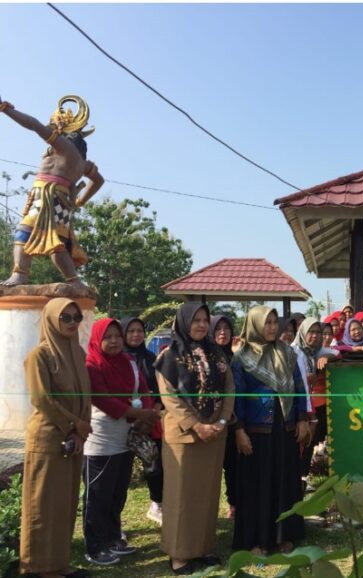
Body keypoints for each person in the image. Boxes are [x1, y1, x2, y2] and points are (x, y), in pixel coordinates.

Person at [154, 302, 235, 575]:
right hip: (184, 436)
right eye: (195, 320)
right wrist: (196, 426)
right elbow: (170, 399)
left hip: (214, 436)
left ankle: (204, 548)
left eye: (204, 319)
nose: (201, 324)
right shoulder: (168, 356)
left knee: (207, 494)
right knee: (181, 496)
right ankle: (179, 554)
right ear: (184, 322)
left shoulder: (218, 355)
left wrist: (221, 421)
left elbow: (229, 389)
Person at [20, 298, 92, 578]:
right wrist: (75, 424)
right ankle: (38, 567)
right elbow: (42, 399)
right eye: (66, 318)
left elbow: (85, 394)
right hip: (48, 439)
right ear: (51, 319)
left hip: (73, 439)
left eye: (77, 317)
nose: (73, 322)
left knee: (64, 504)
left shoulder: (77, 353)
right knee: (43, 505)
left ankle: (59, 564)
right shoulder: (39, 355)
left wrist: (80, 428)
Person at [231, 306, 311, 555]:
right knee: (257, 484)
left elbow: (298, 386)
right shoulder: (242, 357)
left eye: (275, 322)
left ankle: (282, 536)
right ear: (254, 324)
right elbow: (237, 396)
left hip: (284, 428)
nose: (273, 327)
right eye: (267, 323)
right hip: (256, 431)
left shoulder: (287, 352)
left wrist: (301, 419)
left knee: (284, 480)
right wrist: (239, 429)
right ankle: (257, 540)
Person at [0, 96, 103, 288]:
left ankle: (20, 274)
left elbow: (34, 125)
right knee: (57, 245)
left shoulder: (64, 147)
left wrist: (5, 109)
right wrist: (80, 201)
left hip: (47, 199)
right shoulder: (83, 163)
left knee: (23, 233)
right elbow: (99, 180)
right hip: (60, 202)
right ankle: (74, 281)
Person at [83, 318, 159, 566]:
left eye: (117, 336)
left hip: (127, 436)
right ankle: (95, 547)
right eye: (108, 337)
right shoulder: (92, 365)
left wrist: (146, 417)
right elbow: (104, 400)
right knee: (98, 494)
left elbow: (144, 390)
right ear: (97, 339)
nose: (114, 341)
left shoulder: (129, 362)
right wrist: (140, 415)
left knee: (118, 492)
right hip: (101, 439)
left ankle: (114, 538)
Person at [121, 316, 163, 526]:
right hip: (123, 421)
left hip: (150, 420)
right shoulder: (117, 359)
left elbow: (160, 390)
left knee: (155, 463)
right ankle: (116, 515)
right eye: (131, 331)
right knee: (122, 468)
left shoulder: (150, 358)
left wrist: (155, 411)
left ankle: (157, 503)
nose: (136, 335)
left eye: (139, 331)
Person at [292, 318, 338, 484]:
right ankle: (296, 479)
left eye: (318, 332)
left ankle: (302, 479)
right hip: (296, 406)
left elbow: (336, 353)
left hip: (310, 406)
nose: (315, 336)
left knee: (308, 443)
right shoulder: (295, 351)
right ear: (303, 332)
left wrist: (326, 356)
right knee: (300, 444)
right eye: (311, 332)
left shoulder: (314, 351)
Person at [209, 315, 238, 519]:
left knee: (234, 466)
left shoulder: (238, 358)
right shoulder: (206, 358)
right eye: (218, 328)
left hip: (235, 420)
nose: (222, 332)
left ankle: (234, 503)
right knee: (211, 468)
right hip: (210, 421)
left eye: (226, 328)